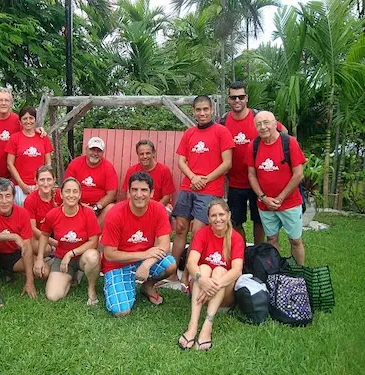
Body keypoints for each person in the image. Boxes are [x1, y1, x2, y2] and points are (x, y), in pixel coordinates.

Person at [170, 95, 234, 291]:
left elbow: (227, 163)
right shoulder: (189, 133)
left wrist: (204, 179)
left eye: (205, 109)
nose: (202, 113)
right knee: (180, 228)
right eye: (198, 110)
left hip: (210, 190)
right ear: (194, 112)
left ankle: (188, 276)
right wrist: (193, 177)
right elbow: (181, 161)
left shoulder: (222, 132)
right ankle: (171, 272)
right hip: (188, 187)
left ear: (212, 110)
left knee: (198, 232)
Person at [101, 171, 177, 316]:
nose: (139, 194)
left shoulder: (159, 209)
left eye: (144, 190)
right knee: (121, 311)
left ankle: (147, 286)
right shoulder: (115, 214)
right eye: (134, 190)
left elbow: (165, 245)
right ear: (128, 192)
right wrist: (143, 254)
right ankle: (116, 284)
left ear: (152, 193)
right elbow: (109, 254)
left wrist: (146, 264)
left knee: (170, 264)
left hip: (144, 260)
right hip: (118, 264)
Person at [222, 81, 288, 244]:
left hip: (259, 182)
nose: (237, 100)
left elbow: (283, 132)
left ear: (246, 98)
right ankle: (242, 251)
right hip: (235, 182)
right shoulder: (223, 122)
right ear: (228, 100)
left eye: (241, 97)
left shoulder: (258, 118)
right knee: (235, 221)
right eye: (233, 97)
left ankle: (258, 251)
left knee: (260, 221)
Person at [178, 198, 244, 351]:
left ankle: (208, 325)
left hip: (223, 294)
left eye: (221, 214)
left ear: (228, 215)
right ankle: (193, 325)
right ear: (208, 218)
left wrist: (214, 285)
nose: (218, 219)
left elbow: (237, 270)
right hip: (201, 289)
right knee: (204, 268)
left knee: (220, 271)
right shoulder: (202, 234)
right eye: (213, 215)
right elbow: (191, 263)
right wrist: (202, 281)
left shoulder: (236, 238)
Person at [247, 111, 306, 265]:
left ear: (275, 124)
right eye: (258, 124)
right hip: (265, 205)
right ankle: (277, 272)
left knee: (295, 240)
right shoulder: (253, 146)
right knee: (272, 239)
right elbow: (252, 175)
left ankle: (299, 272)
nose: (263, 127)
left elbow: (298, 174)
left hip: (290, 203)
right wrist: (263, 197)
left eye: (266, 122)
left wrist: (280, 198)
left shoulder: (289, 143)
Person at [34, 177, 101, 305]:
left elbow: (93, 242)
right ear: (61, 193)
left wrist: (71, 253)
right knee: (52, 296)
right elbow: (44, 235)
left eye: (75, 191)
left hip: (82, 257)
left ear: (80, 194)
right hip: (61, 258)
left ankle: (91, 290)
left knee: (93, 256)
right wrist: (39, 258)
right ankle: (72, 276)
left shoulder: (88, 213)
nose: (71, 195)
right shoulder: (53, 214)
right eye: (67, 191)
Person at [0, 178, 38, 307]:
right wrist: (13, 236)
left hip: (13, 255)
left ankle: (7, 271)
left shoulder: (22, 213)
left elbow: (26, 246)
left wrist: (29, 281)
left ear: (14, 197)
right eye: (0, 196)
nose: (4, 201)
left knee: (44, 272)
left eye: (8, 196)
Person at [0, 87, 46, 180]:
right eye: (0, 100)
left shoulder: (16, 119)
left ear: (11, 103)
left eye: (6, 100)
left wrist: (37, 129)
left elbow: (28, 132)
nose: (3, 103)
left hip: (14, 176)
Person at [64, 136, 117, 227]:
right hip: (76, 203)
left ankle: (92, 234)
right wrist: (79, 204)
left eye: (98, 151)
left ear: (102, 153)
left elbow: (112, 194)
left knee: (111, 208)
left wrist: (96, 207)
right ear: (86, 149)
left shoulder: (108, 167)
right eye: (92, 150)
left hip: (99, 209)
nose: (95, 153)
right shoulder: (75, 164)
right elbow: (67, 188)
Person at [5, 106, 54, 206]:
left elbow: (48, 163)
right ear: (20, 121)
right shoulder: (14, 138)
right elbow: (10, 164)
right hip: (20, 186)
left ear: (35, 120)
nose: (28, 121)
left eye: (31, 118)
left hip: (40, 185)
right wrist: (22, 184)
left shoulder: (43, 138)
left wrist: (41, 183)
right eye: (25, 118)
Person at [23, 165, 62, 270]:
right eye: (42, 180)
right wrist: (51, 241)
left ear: (54, 180)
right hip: (37, 235)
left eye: (49, 179)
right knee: (47, 249)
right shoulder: (30, 200)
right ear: (36, 180)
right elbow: (32, 228)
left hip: (55, 232)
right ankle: (36, 257)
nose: (45, 183)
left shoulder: (59, 195)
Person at [122, 139, 175, 208]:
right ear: (137, 154)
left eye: (148, 153)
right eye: (141, 154)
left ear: (153, 153)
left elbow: (166, 197)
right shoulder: (132, 171)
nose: (145, 157)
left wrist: (153, 209)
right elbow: (129, 195)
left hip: (158, 206)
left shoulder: (164, 170)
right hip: (137, 206)